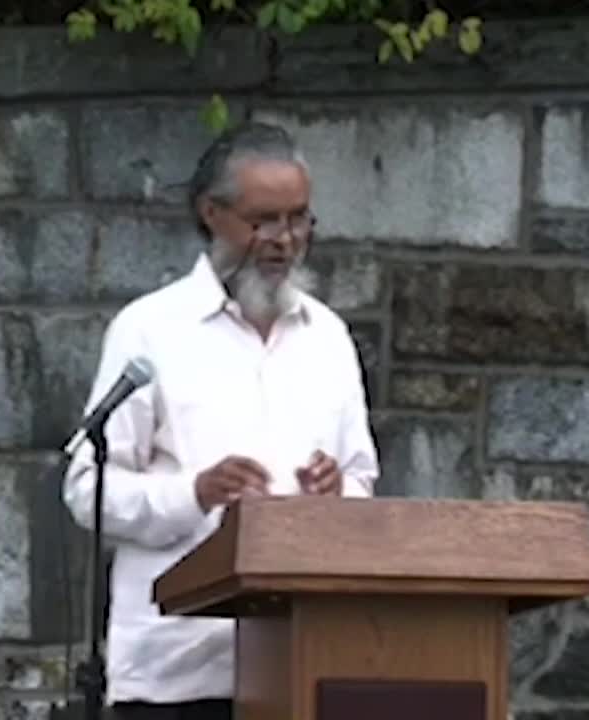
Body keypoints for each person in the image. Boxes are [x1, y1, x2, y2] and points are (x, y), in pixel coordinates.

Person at [62, 121, 380, 720]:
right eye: (263, 220)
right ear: (212, 213)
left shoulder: (329, 338)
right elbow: (87, 490)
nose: (284, 240)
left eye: (299, 219)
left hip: (304, 662)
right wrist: (195, 493)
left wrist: (338, 496)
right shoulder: (149, 331)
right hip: (178, 671)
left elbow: (362, 480)